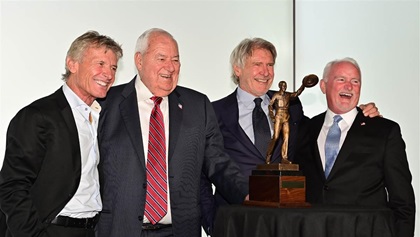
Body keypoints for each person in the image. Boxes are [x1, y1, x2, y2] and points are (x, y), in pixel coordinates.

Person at [200, 38, 380, 235]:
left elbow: (319, 130)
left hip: (283, 223)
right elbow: (207, 169)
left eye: (270, 65)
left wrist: (356, 115)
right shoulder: (214, 111)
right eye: (257, 64)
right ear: (237, 69)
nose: (265, 72)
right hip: (235, 221)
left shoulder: (291, 106)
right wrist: (210, 221)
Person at [96, 28, 248, 237]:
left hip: (179, 230)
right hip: (120, 229)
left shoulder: (198, 106)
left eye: (175, 60)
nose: (170, 67)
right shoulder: (106, 103)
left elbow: (217, 161)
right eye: (161, 58)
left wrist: (248, 193)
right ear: (139, 61)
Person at [0, 31, 123, 237]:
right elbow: (12, 186)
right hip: (50, 230)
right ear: (72, 64)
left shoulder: (104, 117)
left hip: (93, 231)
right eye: (100, 64)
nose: (109, 74)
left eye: (113, 67)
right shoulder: (37, 116)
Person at [296, 57, 415, 237]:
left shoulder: (384, 131)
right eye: (341, 79)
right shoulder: (306, 129)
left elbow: (403, 202)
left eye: (355, 81)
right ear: (323, 86)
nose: (349, 86)